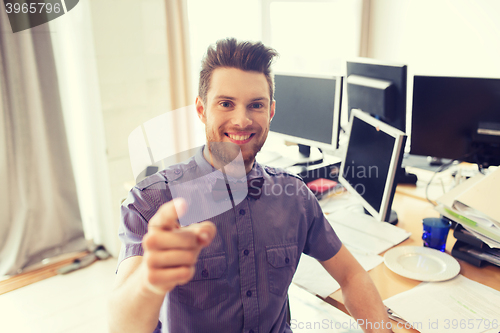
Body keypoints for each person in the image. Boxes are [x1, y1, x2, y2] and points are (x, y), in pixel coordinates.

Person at [109, 38, 393, 333]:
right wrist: (149, 280)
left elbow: (351, 275)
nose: (241, 120)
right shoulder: (151, 202)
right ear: (201, 109)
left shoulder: (294, 197)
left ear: (270, 111)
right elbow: (122, 325)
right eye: (226, 104)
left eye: (255, 105)